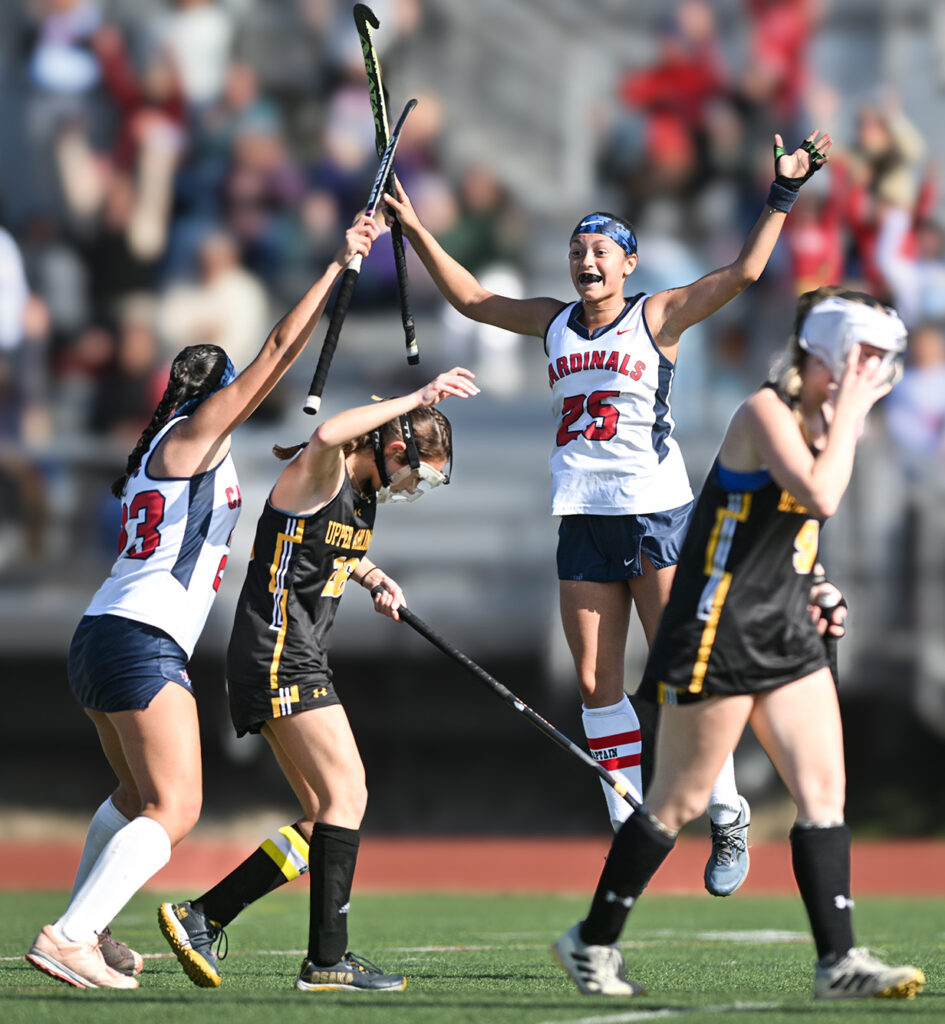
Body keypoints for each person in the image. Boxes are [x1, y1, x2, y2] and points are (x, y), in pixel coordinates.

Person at [384, 129, 831, 894]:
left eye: (600, 250)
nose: (586, 261)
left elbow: (747, 270)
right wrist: (419, 229)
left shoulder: (656, 316)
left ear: (626, 263)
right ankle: (628, 821)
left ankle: (725, 813)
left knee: (679, 676)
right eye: (576, 250)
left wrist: (783, 192)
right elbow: (469, 298)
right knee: (596, 679)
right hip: (581, 514)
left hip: (655, 513)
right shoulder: (553, 322)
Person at [25, 212, 382, 990]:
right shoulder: (192, 436)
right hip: (140, 639)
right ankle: (72, 935)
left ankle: (89, 925)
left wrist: (356, 565)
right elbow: (277, 355)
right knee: (178, 807)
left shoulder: (171, 447)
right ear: (209, 398)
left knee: (135, 796)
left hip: (106, 634)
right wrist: (338, 265)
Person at [552, 287, 925, 1002]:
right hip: (717, 628)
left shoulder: (827, 420)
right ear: (829, 354)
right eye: (866, 358)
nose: (876, 374)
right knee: (677, 800)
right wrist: (849, 414)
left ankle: (837, 962)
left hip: (784, 629)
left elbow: (788, 530)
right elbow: (818, 495)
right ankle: (591, 940)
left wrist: (816, 584)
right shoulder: (765, 411)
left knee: (822, 794)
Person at [157, 367, 478, 993]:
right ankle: (327, 960)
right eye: (417, 471)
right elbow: (329, 430)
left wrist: (371, 576)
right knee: (349, 795)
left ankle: (202, 915)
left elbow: (327, 547)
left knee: (321, 819)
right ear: (393, 448)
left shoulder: (357, 497)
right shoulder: (325, 468)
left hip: (287, 656)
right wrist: (418, 398)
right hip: (280, 654)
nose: (413, 486)